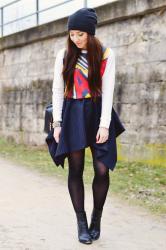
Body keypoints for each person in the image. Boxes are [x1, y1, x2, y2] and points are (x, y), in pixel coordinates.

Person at [46, 7, 125, 245]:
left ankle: (96, 219)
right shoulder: (64, 55)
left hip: (98, 112)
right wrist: (57, 124)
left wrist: (104, 125)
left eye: (80, 34)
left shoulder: (105, 54)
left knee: (102, 169)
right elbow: (58, 91)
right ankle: (81, 223)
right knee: (76, 169)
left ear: (91, 32)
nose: (76, 38)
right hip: (72, 114)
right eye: (72, 34)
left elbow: (109, 91)